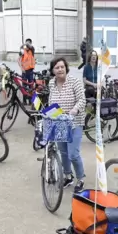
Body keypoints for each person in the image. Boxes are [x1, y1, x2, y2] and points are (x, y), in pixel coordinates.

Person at [47, 57, 87, 192]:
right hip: (59, 122)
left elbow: (82, 100)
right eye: (57, 67)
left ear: (66, 68)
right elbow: (51, 101)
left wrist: (75, 110)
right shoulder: (51, 83)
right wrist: (48, 113)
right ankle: (68, 176)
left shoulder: (75, 82)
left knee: (73, 153)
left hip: (74, 122)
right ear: (53, 70)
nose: (60, 69)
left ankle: (81, 178)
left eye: (62, 67)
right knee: (63, 152)